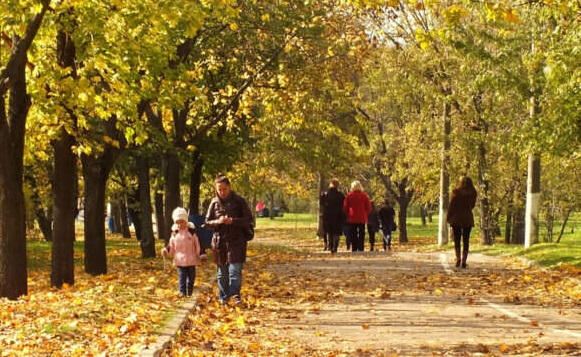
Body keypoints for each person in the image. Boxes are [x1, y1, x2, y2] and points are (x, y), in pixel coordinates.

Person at [204, 174, 253, 304]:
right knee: (222, 273)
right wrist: (218, 221)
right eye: (219, 189)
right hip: (220, 242)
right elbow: (207, 222)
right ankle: (223, 297)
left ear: (229, 187)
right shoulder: (214, 202)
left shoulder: (239, 201)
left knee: (235, 271)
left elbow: (248, 219)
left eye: (224, 189)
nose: (222, 192)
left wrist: (233, 221)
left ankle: (235, 295)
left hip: (237, 241)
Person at [161, 207, 204, 297]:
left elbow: (198, 244)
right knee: (182, 277)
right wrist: (166, 250)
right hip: (179, 261)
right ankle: (182, 292)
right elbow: (171, 246)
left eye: (182, 222)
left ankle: (190, 291)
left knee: (191, 278)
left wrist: (201, 254)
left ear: (186, 221)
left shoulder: (191, 233)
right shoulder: (175, 234)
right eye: (178, 222)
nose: (180, 224)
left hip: (191, 260)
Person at [446, 176, 478, 269]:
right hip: (467, 218)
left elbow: (451, 206)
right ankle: (464, 261)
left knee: (457, 239)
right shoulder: (473, 193)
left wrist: (448, 217)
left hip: (456, 218)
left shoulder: (456, 193)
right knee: (466, 240)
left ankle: (458, 259)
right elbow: (472, 206)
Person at [343, 180, 371, 252]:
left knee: (353, 233)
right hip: (362, 217)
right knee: (362, 233)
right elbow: (368, 207)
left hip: (352, 218)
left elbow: (345, 207)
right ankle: (361, 247)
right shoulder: (364, 195)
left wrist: (347, 214)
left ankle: (354, 247)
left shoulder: (349, 196)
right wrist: (365, 213)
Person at [321, 178, 346, 254]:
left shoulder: (325, 194)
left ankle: (331, 246)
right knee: (337, 232)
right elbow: (343, 205)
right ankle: (335, 247)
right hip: (338, 215)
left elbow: (321, 204)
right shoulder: (341, 195)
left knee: (330, 231)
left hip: (327, 215)